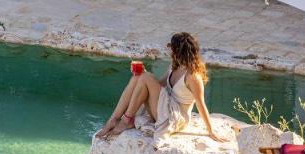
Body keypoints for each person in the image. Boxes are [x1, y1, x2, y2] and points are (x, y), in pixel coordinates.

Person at [96, 32, 224, 143]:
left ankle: (126, 121)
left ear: (179, 51)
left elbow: (201, 104)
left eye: (171, 48)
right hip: (164, 108)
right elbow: (159, 84)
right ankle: (113, 119)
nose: (170, 51)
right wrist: (142, 74)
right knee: (138, 77)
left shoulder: (193, 76)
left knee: (145, 77)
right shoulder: (175, 66)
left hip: (176, 117)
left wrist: (210, 130)